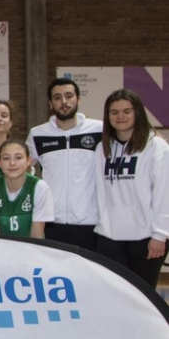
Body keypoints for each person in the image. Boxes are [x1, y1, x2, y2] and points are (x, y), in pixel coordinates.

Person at [94, 89, 169, 288]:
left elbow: (164, 193)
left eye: (127, 111)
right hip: (110, 236)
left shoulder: (156, 146)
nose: (120, 116)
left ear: (138, 112)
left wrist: (160, 234)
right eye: (114, 112)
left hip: (145, 237)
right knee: (115, 293)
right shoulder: (103, 148)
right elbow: (100, 191)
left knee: (143, 296)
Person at [27, 77, 103, 251]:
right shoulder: (37, 134)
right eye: (57, 97)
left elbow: (127, 137)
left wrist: (152, 136)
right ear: (50, 103)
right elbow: (23, 167)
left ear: (78, 99)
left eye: (69, 96)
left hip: (91, 223)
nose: (64, 102)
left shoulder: (99, 129)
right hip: (52, 222)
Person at [0, 139, 55, 239]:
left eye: (18, 157)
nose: (12, 163)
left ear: (28, 160)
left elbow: (36, 236)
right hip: (1, 246)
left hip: (31, 247)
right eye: (6, 158)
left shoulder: (40, 187)